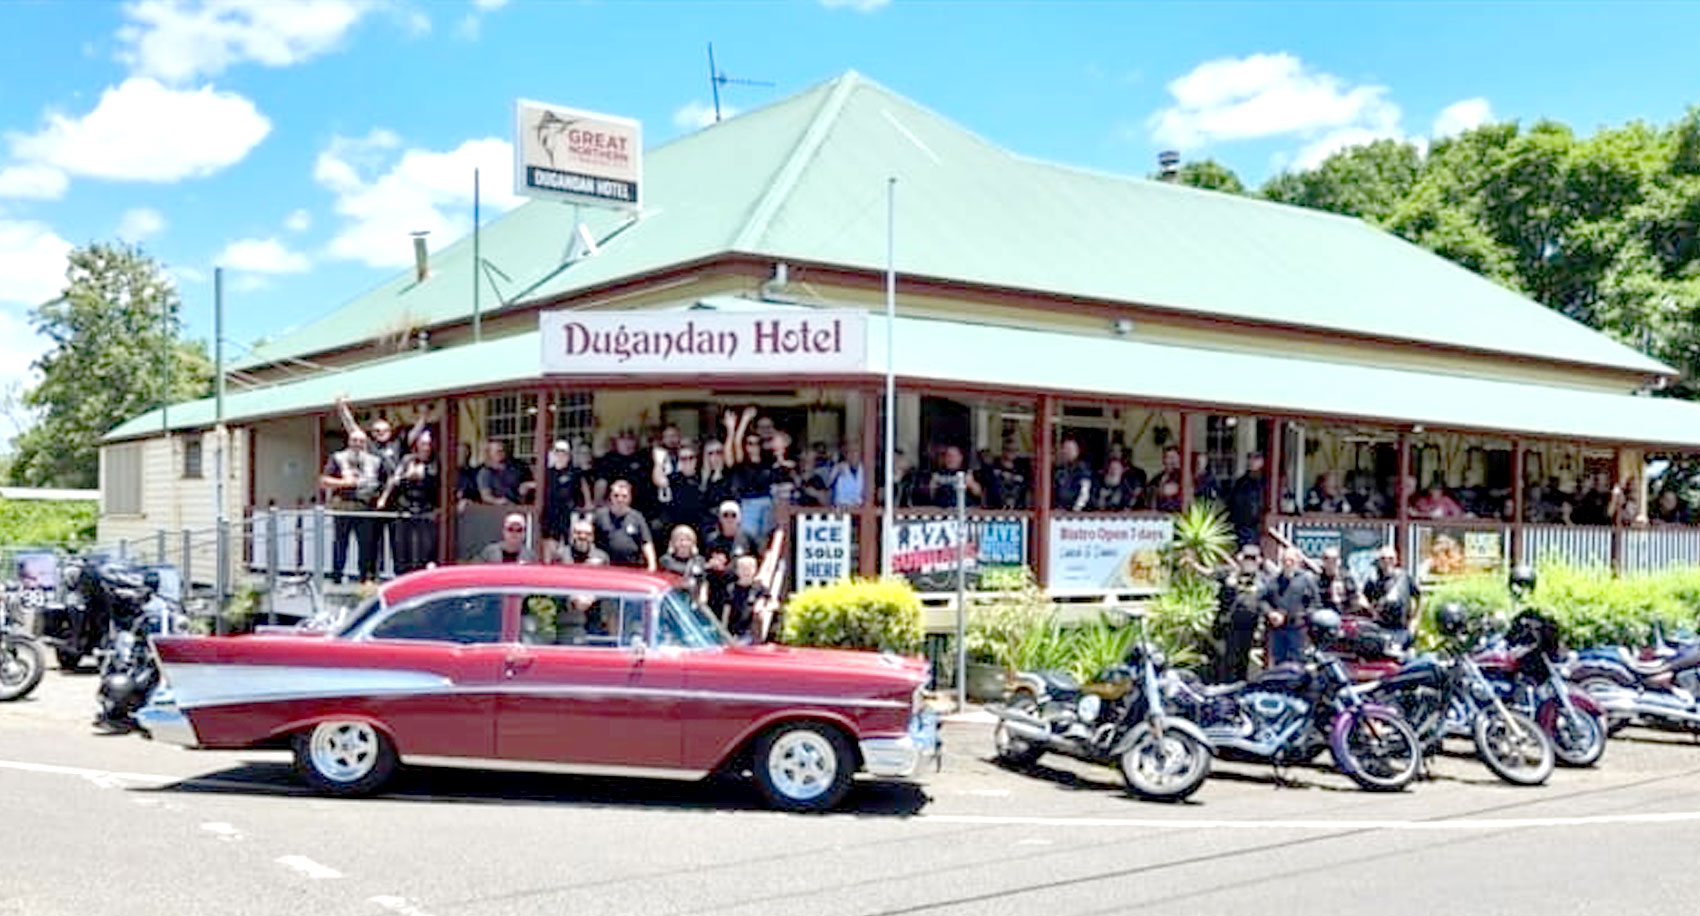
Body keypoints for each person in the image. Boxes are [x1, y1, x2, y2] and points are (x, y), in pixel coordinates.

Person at [319, 430, 384, 583]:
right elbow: (324, 481)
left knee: (366, 545)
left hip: (366, 507)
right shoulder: (338, 457)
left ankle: (364, 579)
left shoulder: (375, 461)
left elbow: (383, 483)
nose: (357, 444)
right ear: (349, 441)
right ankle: (337, 578)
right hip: (344, 506)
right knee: (340, 544)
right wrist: (345, 483)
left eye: (361, 441)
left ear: (365, 443)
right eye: (354, 440)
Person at [377, 429, 440, 574]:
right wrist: (384, 498)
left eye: (428, 444)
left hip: (426, 510)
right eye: (423, 444)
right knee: (402, 546)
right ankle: (401, 574)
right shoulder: (407, 460)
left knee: (424, 549)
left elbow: (436, 480)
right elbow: (394, 479)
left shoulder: (435, 462)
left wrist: (424, 474)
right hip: (405, 507)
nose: (426, 447)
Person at [1208, 544, 1268, 683]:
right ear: (1240, 558)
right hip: (1229, 626)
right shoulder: (1229, 574)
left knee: (1243, 659)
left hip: (1250, 626)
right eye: (1247, 558)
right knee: (1227, 660)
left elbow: (1267, 598)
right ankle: (1225, 685)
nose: (1249, 562)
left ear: (1259, 560)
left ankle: (1240, 685)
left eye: (1253, 559)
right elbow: (1210, 574)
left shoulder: (1263, 579)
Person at [1263, 547, 1318, 666]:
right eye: (1284, 560)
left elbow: (1314, 604)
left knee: (1298, 664)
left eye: (1291, 561)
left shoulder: (1307, 579)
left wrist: (1299, 616)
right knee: (1279, 664)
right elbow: (1263, 600)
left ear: (1298, 562)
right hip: (1278, 631)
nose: (1288, 564)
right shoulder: (1274, 580)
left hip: (1297, 630)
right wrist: (1270, 613)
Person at [1359, 545, 1418, 649]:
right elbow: (1362, 598)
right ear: (1379, 561)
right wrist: (1371, 610)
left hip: (1401, 628)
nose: (1387, 562)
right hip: (1380, 628)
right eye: (1383, 559)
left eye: (1390, 558)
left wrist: (1414, 620)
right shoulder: (1373, 580)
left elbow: (1419, 597)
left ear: (1396, 560)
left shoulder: (1405, 577)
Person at [541, 440, 591, 562]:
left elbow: (584, 490)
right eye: (557, 452)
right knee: (549, 549)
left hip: (569, 515)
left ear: (569, 455)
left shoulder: (575, 472)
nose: (560, 455)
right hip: (551, 516)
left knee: (569, 547)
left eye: (564, 452)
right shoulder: (547, 473)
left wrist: (588, 506)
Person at [593, 480, 656, 570]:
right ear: (610, 497)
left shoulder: (637, 517)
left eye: (624, 496)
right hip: (606, 567)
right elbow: (591, 539)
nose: (620, 499)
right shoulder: (600, 515)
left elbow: (646, 543)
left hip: (632, 567)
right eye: (616, 496)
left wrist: (652, 565)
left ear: (630, 498)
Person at [653, 441, 708, 537]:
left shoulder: (703, 477)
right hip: (676, 529)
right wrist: (658, 462)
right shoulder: (675, 478)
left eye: (691, 458)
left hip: (699, 528)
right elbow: (659, 480)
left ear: (696, 459)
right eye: (683, 459)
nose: (687, 462)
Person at [720, 554, 771, 643]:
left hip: (750, 632)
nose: (746, 572)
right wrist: (723, 631)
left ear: (755, 570)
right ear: (737, 571)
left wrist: (762, 605)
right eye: (743, 568)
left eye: (749, 568)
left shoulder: (759, 588)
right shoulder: (730, 588)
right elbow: (726, 611)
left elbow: (772, 603)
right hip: (733, 631)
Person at [594, 429, 651, 507]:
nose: (627, 443)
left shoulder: (643, 458)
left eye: (630, 439)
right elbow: (601, 484)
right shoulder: (608, 461)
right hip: (615, 507)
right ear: (615, 441)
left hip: (643, 506)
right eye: (622, 439)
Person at [1227, 452, 1267, 547]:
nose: (1252, 461)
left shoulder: (1266, 482)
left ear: (1262, 461)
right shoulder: (1241, 482)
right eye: (1250, 458)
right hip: (1241, 525)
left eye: (1256, 458)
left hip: (1258, 525)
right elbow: (1232, 501)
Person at [477, 439, 534, 505]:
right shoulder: (485, 472)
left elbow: (529, 484)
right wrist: (499, 501)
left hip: (519, 506)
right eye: (498, 451)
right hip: (497, 508)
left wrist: (526, 486)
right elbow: (486, 496)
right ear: (489, 453)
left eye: (503, 450)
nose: (501, 453)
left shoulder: (517, 468)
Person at [659, 525, 706, 592]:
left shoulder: (699, 561)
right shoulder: (666, 561)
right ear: (673, 542)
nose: (683, 544)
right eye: (680, 540)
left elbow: (703, 581)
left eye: (688, 540)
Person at [1052, 438, 1094, 511]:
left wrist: (1075, 510)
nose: (1066, 452)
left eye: (1070, 449)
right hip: (1059, 510)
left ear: (1077, 451)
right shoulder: (1059, 469)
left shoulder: (1083, 470)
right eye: (1065, 449)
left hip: (1074, 512)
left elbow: (1084, 493)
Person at [829, 441, 866, 508]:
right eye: (849, 452)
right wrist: (836, 470)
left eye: (855, 452)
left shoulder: (865, 470)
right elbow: (828, 484)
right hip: (842, 509)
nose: (852, 455)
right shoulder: (839, 468)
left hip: (860, 509)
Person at [1316, 545, 1352, 614]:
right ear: (1323, 561)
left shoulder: (1347, 578)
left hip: (1344, 613)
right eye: (1327, 559)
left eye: (1334, 559)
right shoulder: (1317, 580)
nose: (1331, 562)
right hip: (1324, 614)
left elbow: (1354, 598)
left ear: (1339, 561)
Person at [1146, 447, 1184, 512]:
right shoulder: (1157, 478)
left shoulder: (1183, 477)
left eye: (1173, 457)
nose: (1171, 461)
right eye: (1168, 458)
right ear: (1163, 460)